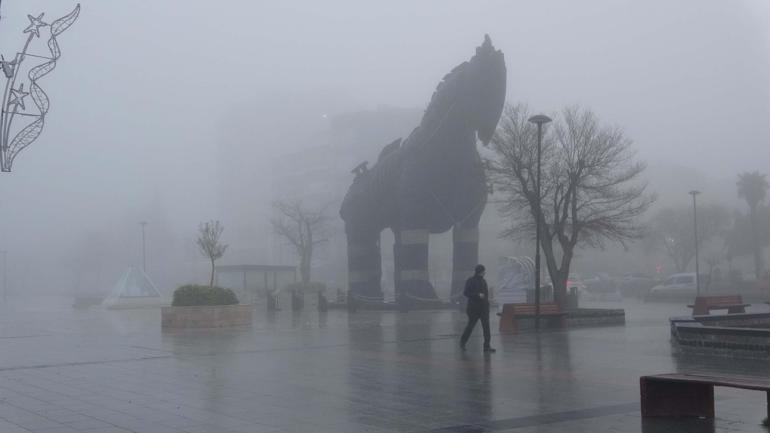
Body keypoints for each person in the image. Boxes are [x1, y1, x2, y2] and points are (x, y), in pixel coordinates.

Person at [459, 264, 496, 353]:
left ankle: (487, 346)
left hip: (483, 308)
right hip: (473, 309)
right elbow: (466, 292)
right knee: (470, 327)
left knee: (486, 327)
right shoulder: (470, 281)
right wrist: (477, 295)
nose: (485, 273)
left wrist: (487, 306)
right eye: (484, 271)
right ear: (480, 272)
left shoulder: (484, 281)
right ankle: (462, 342)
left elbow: (486, 295)